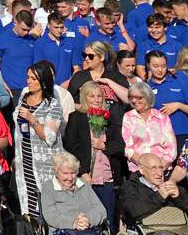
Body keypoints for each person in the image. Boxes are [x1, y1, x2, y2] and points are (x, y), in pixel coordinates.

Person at [61, 82, 122, 228]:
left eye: (99, 96)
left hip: (107, 177)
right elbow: (70, 147)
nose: (96, 99)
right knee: (89, 220)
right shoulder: (76, 117)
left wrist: (104, 146)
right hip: (87, 178)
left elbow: (120, 145)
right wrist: (82, 172)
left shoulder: (110, 118)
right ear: (84, 98)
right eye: (92, 96)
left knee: (108, 219)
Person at [13, 61, 65, 218]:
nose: (29, 81)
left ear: (43, 81)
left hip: (45, 163)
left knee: (47, 205)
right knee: (28, 205)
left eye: (33, 79)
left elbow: (49, 137)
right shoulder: (23, 97)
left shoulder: (53, 105)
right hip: (25, 159)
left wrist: (31, 118)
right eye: (28, 77)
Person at [119, 152, 188, 231]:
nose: (159, 173)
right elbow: (132, 212)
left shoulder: (170, 185)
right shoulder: (131, 187)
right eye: (153, 168)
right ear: (141, 170)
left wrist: (179, 197)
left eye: (161, 168)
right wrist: (159, 195)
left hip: (179, 230)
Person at [39, 151, 107, 235]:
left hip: (89, 230)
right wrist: (73, 223)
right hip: (62, 231)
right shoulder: (49, 187)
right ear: (56, 172)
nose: (70, 178)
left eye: (73, 173)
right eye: (65, 173)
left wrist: (88, 220)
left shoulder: (83, 184)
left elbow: (100, 210)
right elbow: (50, 216)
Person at [121, 81, 178, 173]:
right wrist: (146, 166)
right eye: (131, 97)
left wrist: (159, 167)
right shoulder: (128, 117)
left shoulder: (162, 117)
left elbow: (171, 147)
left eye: (139, 97)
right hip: (138, 169)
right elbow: (128, 147)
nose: (134, 101)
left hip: (162, 169)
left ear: (148, 97)